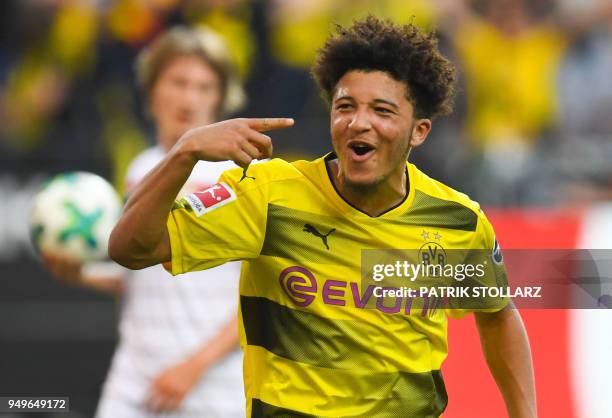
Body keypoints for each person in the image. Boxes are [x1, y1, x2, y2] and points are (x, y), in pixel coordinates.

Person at [109, 16, 536, 417]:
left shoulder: (457, 221)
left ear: (419, 131)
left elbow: (498, 314)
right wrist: (185, 152)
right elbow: (131, 249)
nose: (358, 123)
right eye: (345, 106)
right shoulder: (269, 194)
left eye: (382, 111)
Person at [43, 26, 246, 417]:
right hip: (133, 386)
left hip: (214, 393)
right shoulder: (140, 169)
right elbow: (146, 278)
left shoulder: (243, 174)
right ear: (152, 90)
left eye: (204, 87)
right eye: (179, 82)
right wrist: (81, 275)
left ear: (220, 99)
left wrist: (192, 368)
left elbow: (263, 295)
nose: (190, 98)